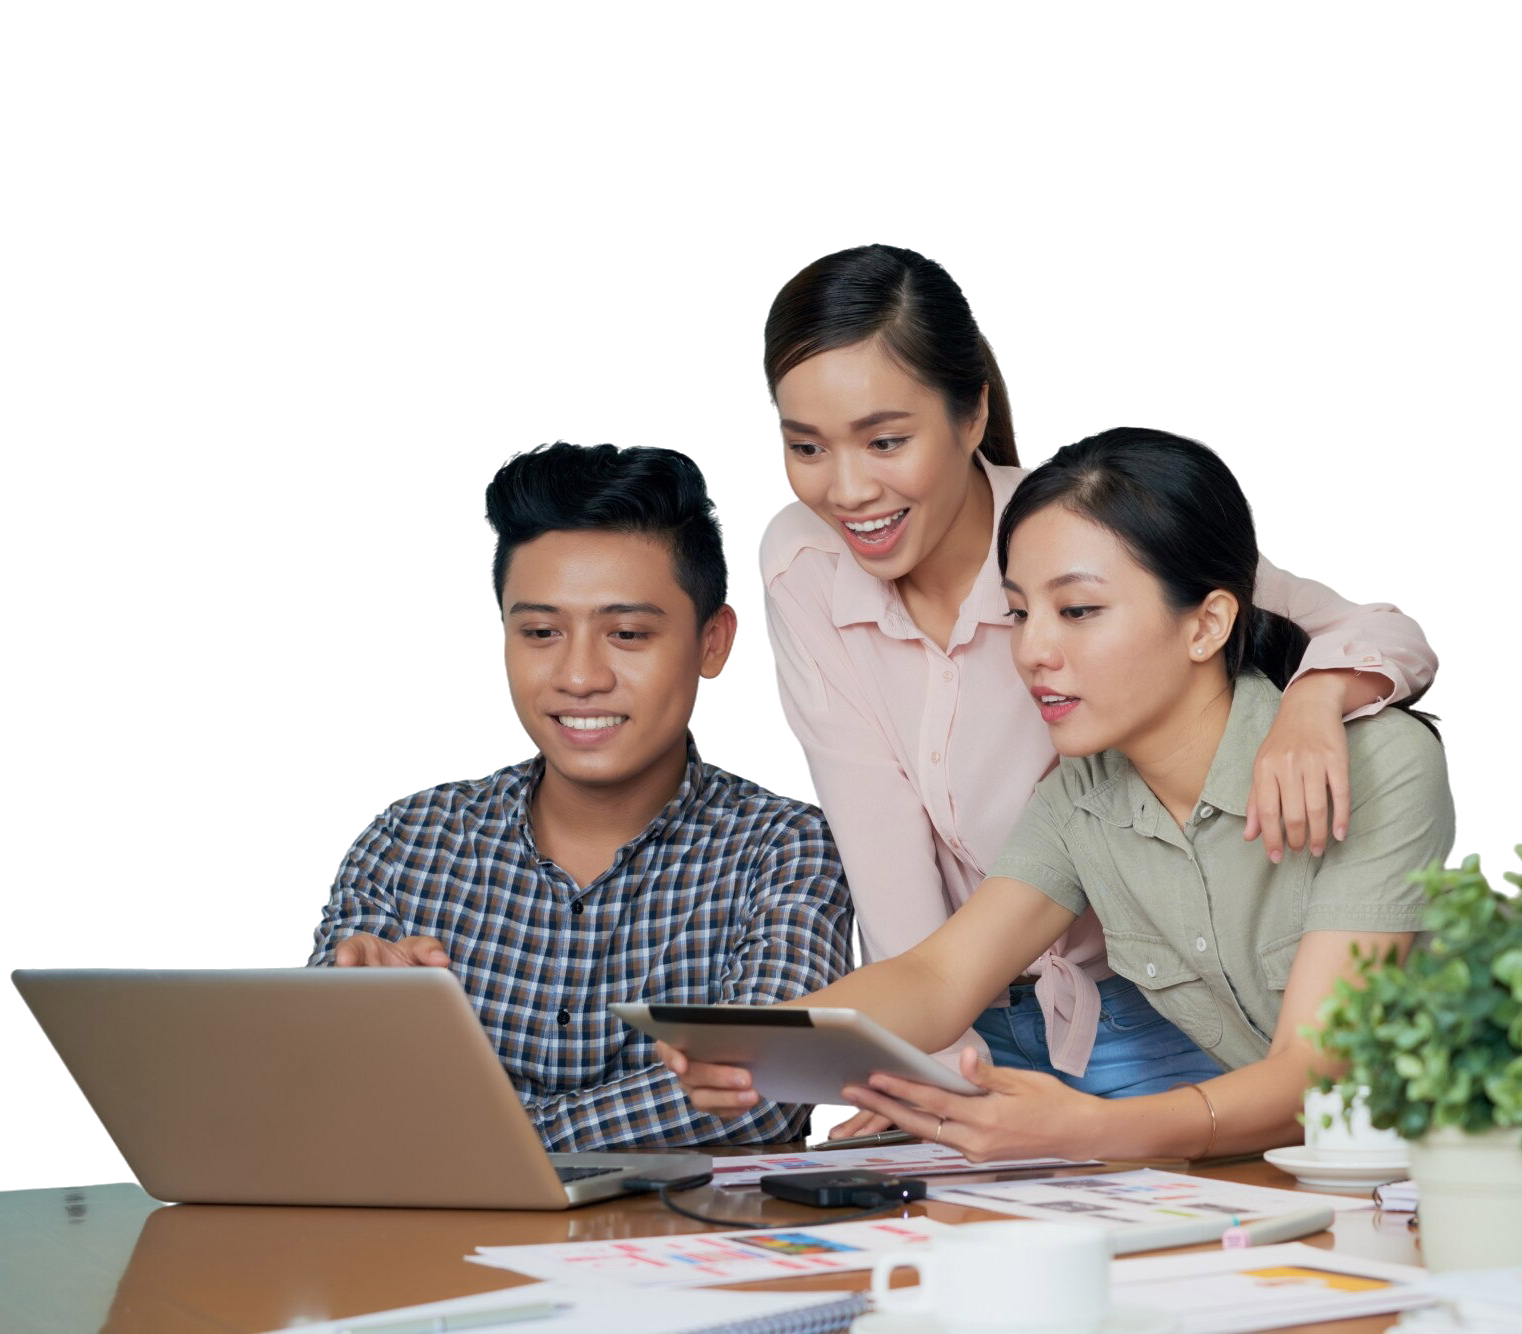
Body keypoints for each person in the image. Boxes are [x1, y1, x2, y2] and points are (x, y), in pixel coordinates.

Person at [752, 241, 1446, 1119]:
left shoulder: (1092, 522)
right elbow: (899, 892)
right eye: (803, 445)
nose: (847, 489)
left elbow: (1349, 617)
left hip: (1144, 1014)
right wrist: (796, 1052)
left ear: (971, 417)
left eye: (886, 440)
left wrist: (1318, 697)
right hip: (969, 1015)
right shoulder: (799, 560)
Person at [671, 424, 1461, 1161]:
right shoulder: (1079, 798)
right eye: (1018, 613)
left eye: (1078, 611)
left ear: (1208, 623)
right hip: (1309, 1185)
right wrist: (763, 1040)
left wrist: (1092, 1129)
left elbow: (1316, 1072)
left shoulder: (1377, 763)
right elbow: (941, 977)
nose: (1033, 650)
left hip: (1470, 1179)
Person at [304, 438, 854, 1149]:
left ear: (715, 644)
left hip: (688, 1250)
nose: (579, 676)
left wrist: (499, 1143)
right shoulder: (404, 841)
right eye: (540, 631)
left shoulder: (784, 847)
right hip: (426, 1249)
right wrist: (345, 1021)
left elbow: (763, 1091)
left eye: (626, 632)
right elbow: (313, 1081)